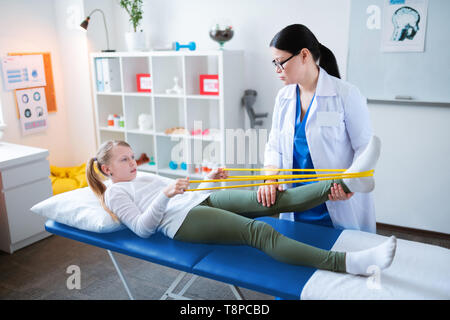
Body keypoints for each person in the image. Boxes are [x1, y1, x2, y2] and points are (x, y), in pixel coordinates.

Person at [86, 138, 396, 276]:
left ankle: (349, 181)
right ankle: (348, 264)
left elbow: (182, 194)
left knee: (273, 196)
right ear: (107, 169)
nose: (132, 162)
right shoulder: (115, 193)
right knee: (258, 232)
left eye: (131, 156)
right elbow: (143, 228)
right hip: (182, 222)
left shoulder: (142, 176)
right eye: (124, 159)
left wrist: (207, 180)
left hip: (198, 200)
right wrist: (165, 194)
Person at [258, 24, 376, 232]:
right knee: (298, 257)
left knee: (339, 259)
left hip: (336, 204)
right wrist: (270, 176)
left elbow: (365, 148)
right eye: (274, 63)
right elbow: (274, 145)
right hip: (295, 203)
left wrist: (350, 183)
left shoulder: (346, 95)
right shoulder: (284, 97)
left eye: (281, 63)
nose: (277, 70)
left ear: (304, 55)